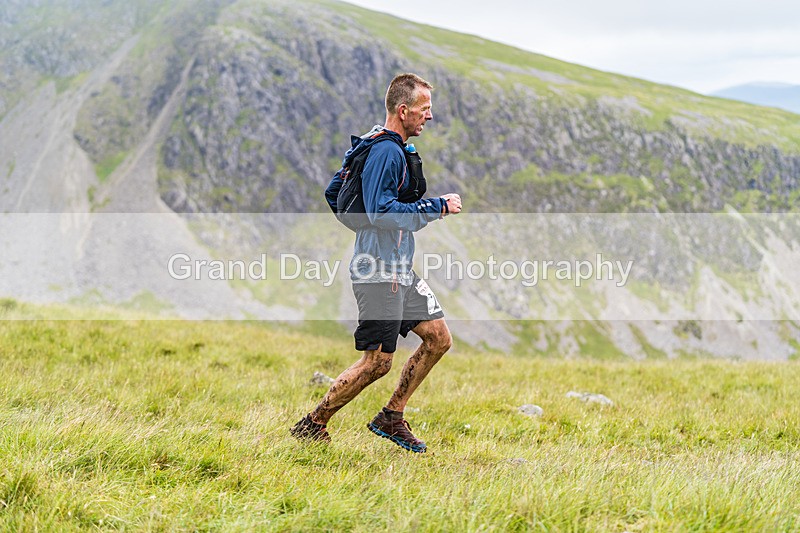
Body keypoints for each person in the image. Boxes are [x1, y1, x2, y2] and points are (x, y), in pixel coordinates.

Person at [291, 73, 462, 453]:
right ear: (403, 111)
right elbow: (381, 211)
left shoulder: (382, 145)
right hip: (378, 272)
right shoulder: (385, 152)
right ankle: (312, 424)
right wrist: (436, 206)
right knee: (377, 363)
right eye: (424, 109)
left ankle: (391, 416)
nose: (429, 117)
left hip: (399, 269)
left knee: (438, 339)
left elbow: (336, 195)